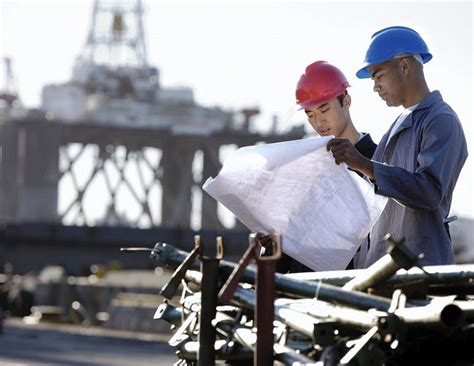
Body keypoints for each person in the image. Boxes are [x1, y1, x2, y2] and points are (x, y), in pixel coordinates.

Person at [327, 26, 468, 267]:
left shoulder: (440, 119)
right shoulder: (398, 123)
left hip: (419, 271)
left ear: (404, 66)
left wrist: (364, 164)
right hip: (381, 268)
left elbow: (429, 192)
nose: (375, 86)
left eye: (378, 75)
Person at [259, 60, 377, 273]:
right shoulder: (306, 168)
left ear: (347, 101)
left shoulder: (377, 161)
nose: (319, 122)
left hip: (350, 290)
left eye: (324, 109)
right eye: (310, 114)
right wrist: (276, 246)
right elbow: (293, 244)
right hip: (301, 292)